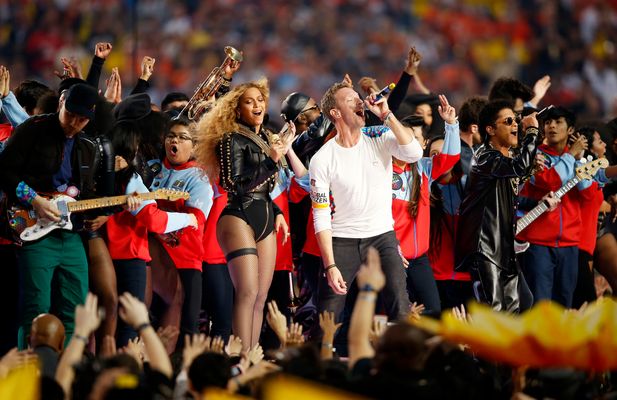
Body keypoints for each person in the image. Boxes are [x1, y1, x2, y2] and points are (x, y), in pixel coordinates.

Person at [308, 81, 423, 351]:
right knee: (329, 315)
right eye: (351, 100)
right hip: (343, 239)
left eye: (359, 98)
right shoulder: (322, 159)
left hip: (382, 236)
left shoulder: (379, 137)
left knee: (399, 305)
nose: (360, 102)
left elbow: (414, 152)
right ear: (335, 113)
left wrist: (387, 115)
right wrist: (330, 265)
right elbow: (321, 216)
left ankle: (400, 369)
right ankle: (316, 371)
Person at [0, 83, 100, 348]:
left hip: (70, 234)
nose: (75, 123)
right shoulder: (32, 129)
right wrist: (34, 199)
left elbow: (87, 192)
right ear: (61, 104)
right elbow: (4, 171)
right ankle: (29, 376)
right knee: (36, 309)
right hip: (34, 231)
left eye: (83, 118)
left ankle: (64, 375)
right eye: (71, 114)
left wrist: (106, 213)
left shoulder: (88, 146)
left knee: (74, 309)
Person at [195, 78, 291, 350]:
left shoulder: (265, 137)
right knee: (247, 292)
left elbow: (264, 188)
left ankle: (252, 355)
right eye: (249, 101)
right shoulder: (230, 139)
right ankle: (239, 357)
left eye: (260, 100)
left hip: (264, 214)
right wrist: (271, 161)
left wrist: (277, 211)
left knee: (261, 296)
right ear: (237, 110)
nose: (257, 105)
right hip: (238, 216)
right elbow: (233, 185)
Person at [455, 100, 542, 312]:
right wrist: (531, 131)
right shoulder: (485, 157)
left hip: (504, 250)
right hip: (484, 249)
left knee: (514, 312)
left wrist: (530, 171)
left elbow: (515, 175)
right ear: (490, 129)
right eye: (509, 121)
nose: (515, 125)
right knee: (494, 313)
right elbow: (519, 166)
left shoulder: (505, 161)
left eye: (516, 121)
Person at [517, 107, 589, 307]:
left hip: (569, 243)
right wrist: (570, 155)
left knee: (564, 305)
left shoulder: (576, 158)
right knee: (540, 307)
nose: (552, 126)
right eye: (548, 122)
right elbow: (549, 182)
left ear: (571, 129)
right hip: (538, 243)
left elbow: (588, 193)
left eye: (558, 122)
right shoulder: (534, 155)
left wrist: (578, 158)